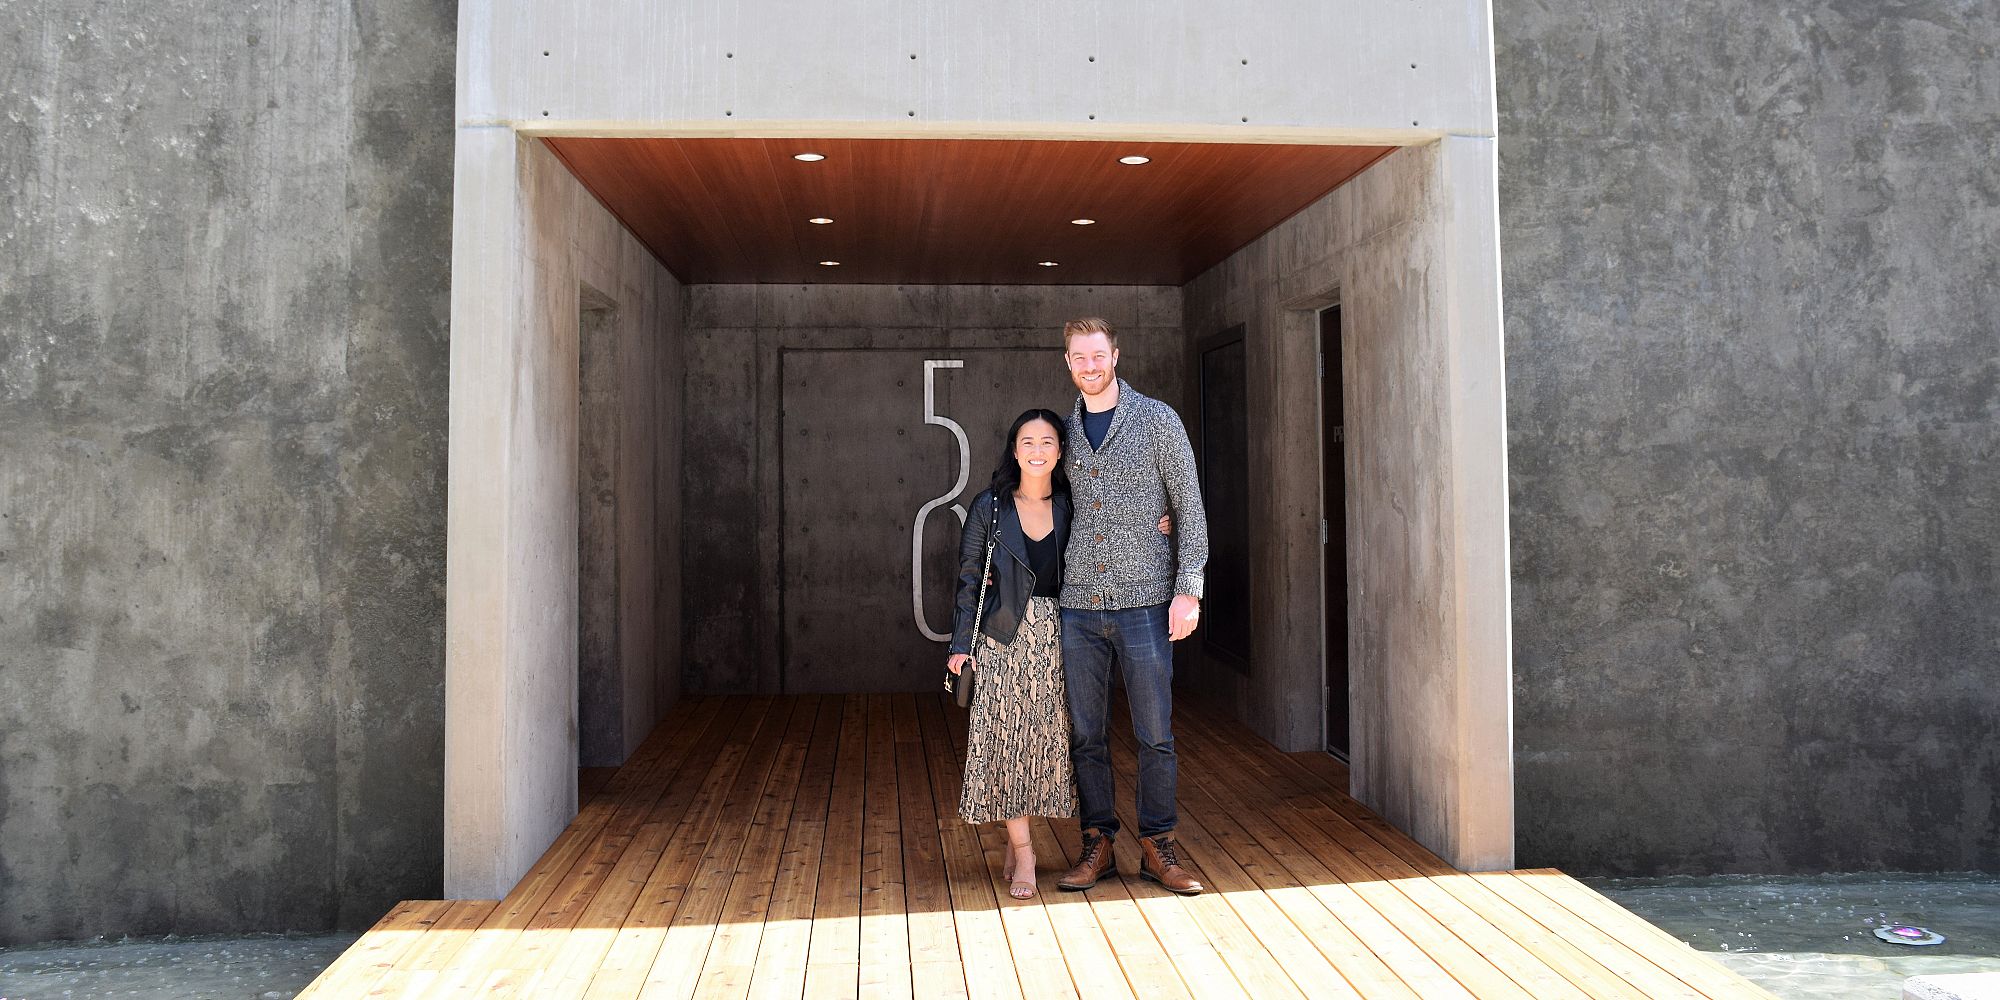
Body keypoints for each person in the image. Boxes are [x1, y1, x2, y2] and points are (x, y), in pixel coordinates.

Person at [1054, 316, 1210, 896]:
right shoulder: (1060, 432)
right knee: (1086, 735)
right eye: (1078, 357)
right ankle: (1098, 843)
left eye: (1098, 355)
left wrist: (1187, 588)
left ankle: (1157, 846)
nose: (1089, 366)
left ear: (1115, 355)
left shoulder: (1157, 420)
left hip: (1146, 601)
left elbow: (1189, 509)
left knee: (1155, 734)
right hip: (1078, 607)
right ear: (1066, 361)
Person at [947, 409, 1079, 900]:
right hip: (1002, 637)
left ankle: (1015, 835)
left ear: (1060, 451)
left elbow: (1115, 536)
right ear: (1014, 450)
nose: (1038, 450)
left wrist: (1163, 524)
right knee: (1004, 745)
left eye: (1048, 441)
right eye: (1028, 441)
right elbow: (968, 577)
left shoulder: (1072, 505)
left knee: (1043, 746)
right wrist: (962, 645)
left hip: (1058, 638)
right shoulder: (991, 506)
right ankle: (1025, 852)